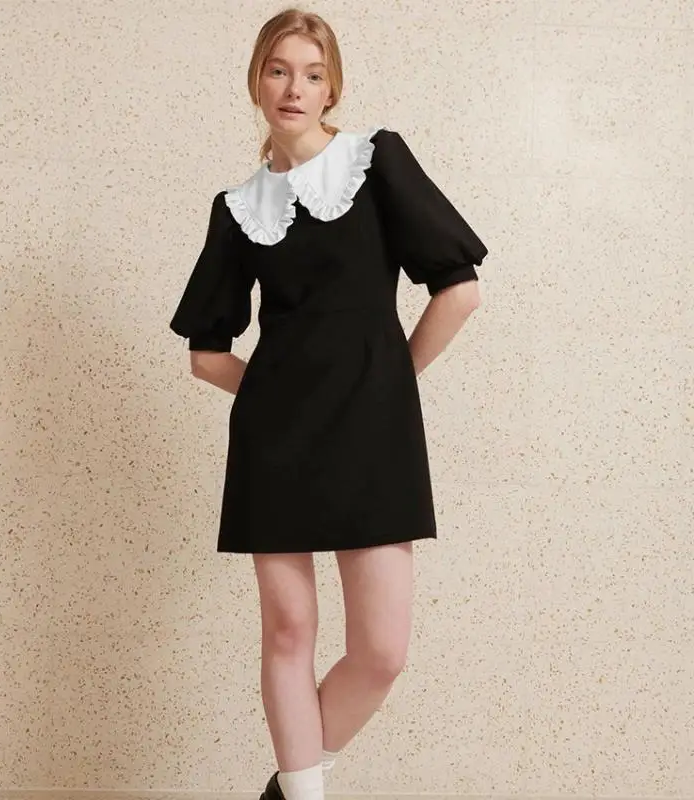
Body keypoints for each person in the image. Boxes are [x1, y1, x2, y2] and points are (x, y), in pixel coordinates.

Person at [169, 8, 488, 800]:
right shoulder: (239, 208)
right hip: (276, 446)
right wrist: (279, 401)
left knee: (381, 650)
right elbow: (207, 354)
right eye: (279, 70)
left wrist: (388, 384)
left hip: (372, 436)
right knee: (289, 632)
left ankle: (286, 788)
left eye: (312, 74)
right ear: (256, 81)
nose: (294, 88)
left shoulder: (375, 162)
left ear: (331, 88)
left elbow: (459, 290)